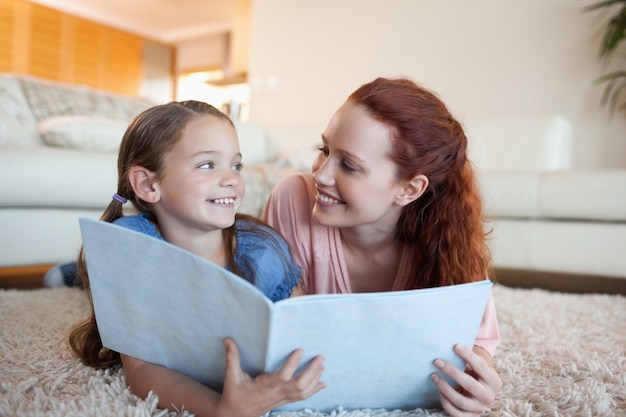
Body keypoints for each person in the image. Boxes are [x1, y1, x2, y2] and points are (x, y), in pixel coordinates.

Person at [261, 77, 502, 417]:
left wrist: (476, 384)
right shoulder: (292, 198)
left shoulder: (448, 232)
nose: (321, 174)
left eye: (349, 165)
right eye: (324, 150)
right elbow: (286, 329)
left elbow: (476, 341)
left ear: (408, 190)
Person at [68, 100, 325, 417]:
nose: (232, 179)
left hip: (246, 246)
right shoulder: (130, 245)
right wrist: (220, 409)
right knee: (75, 277)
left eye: (237, 165)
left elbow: (303, 332)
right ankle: (65, 274)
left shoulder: (263, 251)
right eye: (207, 165)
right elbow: (141, 367)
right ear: (149, 185)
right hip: (139, 250)